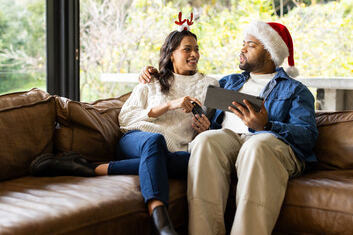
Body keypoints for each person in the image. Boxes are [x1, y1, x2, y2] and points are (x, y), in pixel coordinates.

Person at [29, 13, 219, 235]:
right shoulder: (152, 80)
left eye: (196, 48)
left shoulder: (211, 85)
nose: (195, 54)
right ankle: (161, 220)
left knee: (197, 161)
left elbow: (216, 130)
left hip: (176, 151)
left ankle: (87, 168)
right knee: (155, 141)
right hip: (137, 140)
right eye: (187, 49)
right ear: (171, 55)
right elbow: (125, 118)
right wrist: (169, 106)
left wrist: (205, 128)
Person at [139, 20, 318, 235]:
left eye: (251, 45)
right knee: (205, 141)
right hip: (231, 141)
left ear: (270, 53)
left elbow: (307, 137)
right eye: (243, 43)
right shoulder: (228, 82)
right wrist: (152, 72)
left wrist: (266, 125)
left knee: (256, 145)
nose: (242, 49)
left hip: (270, 145)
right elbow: (183, 81)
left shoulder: (296, 90)